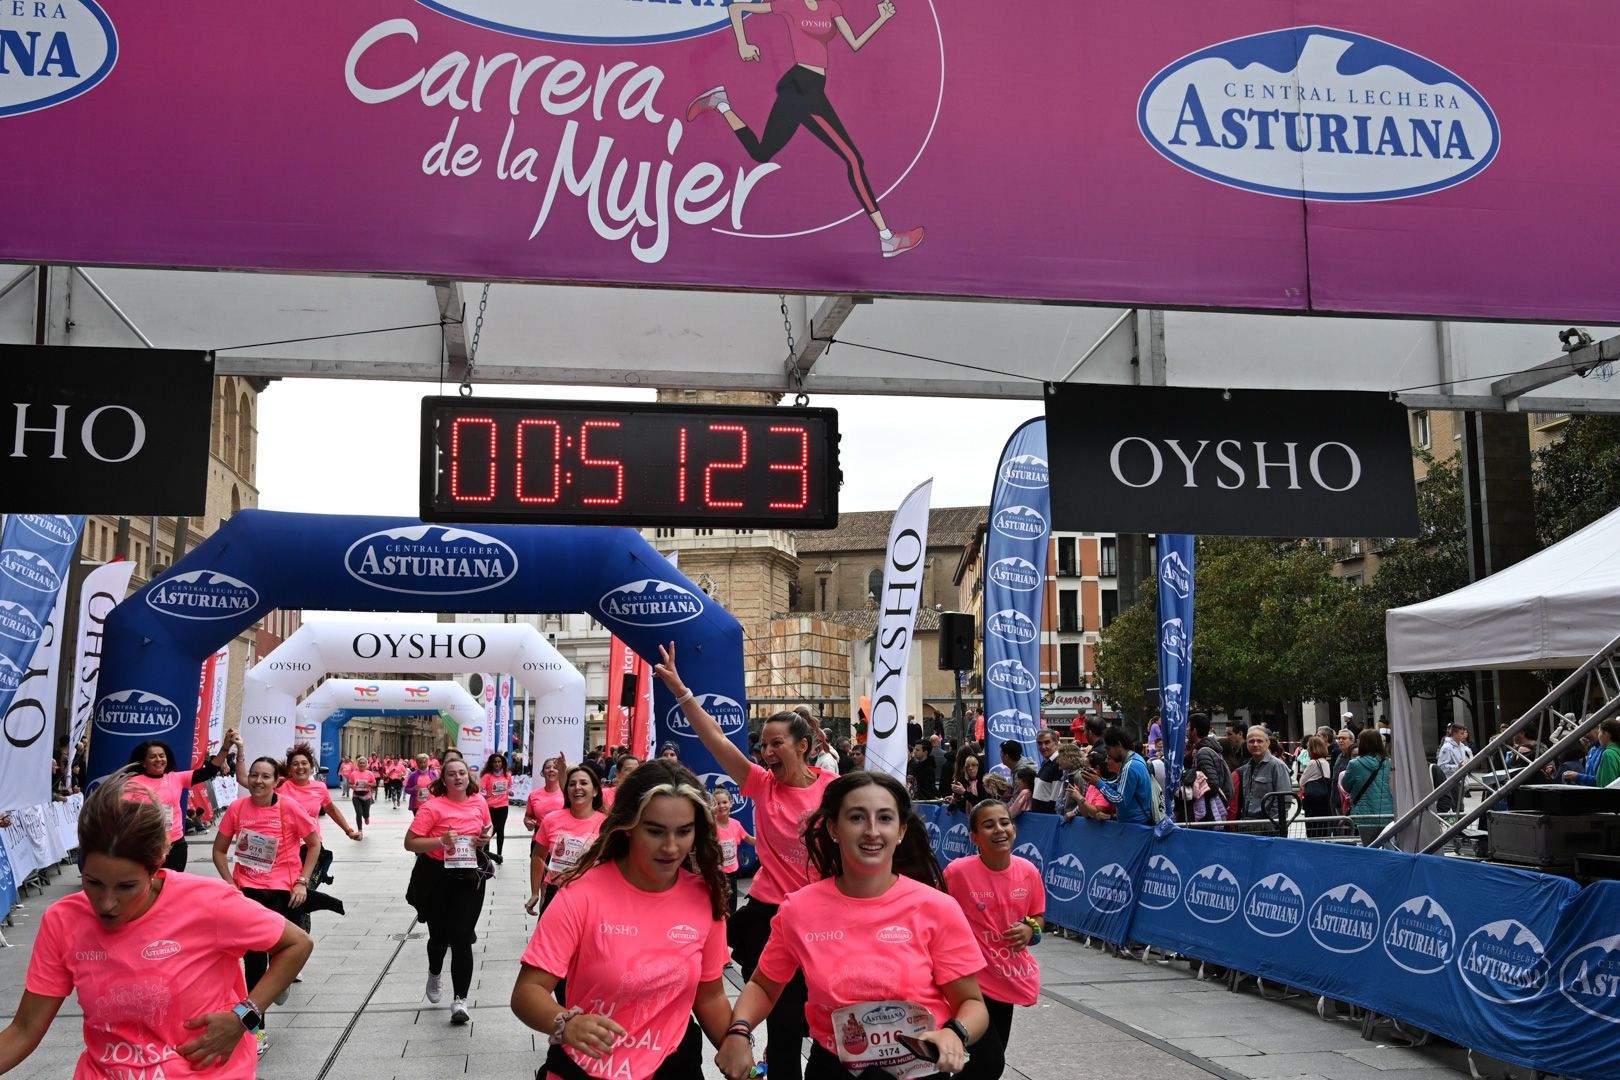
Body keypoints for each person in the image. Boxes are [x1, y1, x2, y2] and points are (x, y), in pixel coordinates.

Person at [0, 767, 312, 1076]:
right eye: (93, 883)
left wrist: (244, 1016)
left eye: (126, 887)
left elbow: (297, 943)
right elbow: (25, 1029)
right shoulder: (63, 920)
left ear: (155, 868)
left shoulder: (207, 902)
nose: (107, 903)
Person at [715, 771, 994, 1080]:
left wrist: (955, 1032)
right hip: (833, 1071)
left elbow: (971, 1003)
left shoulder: (938, 908)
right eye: (857, 817)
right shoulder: (799, 909)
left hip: (921, 1071)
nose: (872, 831)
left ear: (901, 830)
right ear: (834, 828)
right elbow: (763, 986)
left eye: (885, 818)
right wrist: (739, 1031)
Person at [654, 642, 834, 1080]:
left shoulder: (834, 789)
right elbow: (715, 738)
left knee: (826, 1016)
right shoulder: (760, 783)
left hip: (825, 916)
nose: (766, 751)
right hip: (772, 916)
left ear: (803, 746)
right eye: (763, 744)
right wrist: (682, 692)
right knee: (784, 1021)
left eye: (777, 743)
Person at [511, 760, 733, 1080]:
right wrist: (566, 1023)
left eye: (684, 831)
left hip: (674, 1067)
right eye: (655, 831)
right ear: (628, 826)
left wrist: (740, 1048)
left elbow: (710, 996)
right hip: (585, 1068)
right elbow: (527, 991)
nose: (671, 847)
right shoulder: (580, 894)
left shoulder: (705, 897)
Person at [211, 755, 322, 1056]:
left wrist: (302, 882)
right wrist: (231, 885)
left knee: (282, 955)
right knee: (254, 965)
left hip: (283, 895)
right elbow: (219, 851)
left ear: (276, 781)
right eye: (254, 775)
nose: (258, 781)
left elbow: (314, 844)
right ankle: (257, 1031)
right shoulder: (237, 808)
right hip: (248, 895)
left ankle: (281, 977)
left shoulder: (290, 807)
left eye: (265, 776)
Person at [944, 799, 1043, 1070]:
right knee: (991, 1063)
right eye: (988, 825)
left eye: (1004, 822)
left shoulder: (1028, 871)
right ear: (974, 837)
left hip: (1006, 978)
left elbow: (1037, 917)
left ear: (1014, 830)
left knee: (985, 1066)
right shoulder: (957, 873)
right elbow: (935, 916)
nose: (999, 829)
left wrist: (1030, 929)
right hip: (968, 983)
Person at [405, 757, 493, 1025]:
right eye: (452, 774)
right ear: (443, 780)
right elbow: (410, 843)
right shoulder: (432, 807)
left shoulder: (479, 802)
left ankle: (460, 1000)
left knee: (462, 937)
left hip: (469, 875)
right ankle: (434, 972)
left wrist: (484, 838)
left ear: (469, 776)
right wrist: (440, 840)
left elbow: (487, 827)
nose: (458, 778)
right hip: (437, 876)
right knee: (439, 937)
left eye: (462, 773)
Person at [126, 732, 239, 871]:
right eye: (153, 756)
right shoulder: (132, 783)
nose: (159, 759)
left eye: (162, 755)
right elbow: (121, 815)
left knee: (173, 884)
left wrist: (225, 748)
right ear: (143, 762)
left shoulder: (176, 778)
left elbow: (209, 771)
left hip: (176, 846)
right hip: (146, 847)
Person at [530, 765, 607, 916]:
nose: (577, 787)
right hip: (555, 893)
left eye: (583, 783)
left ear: (595, 791)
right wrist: (534, 892)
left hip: (591, 895)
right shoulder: (551, 819)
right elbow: (538, 856)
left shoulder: (606, 824)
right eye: (572, 784)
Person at [1234, 726, 1294, 828]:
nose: (1255, 744)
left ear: (1267, 743)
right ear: (1247, 744)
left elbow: (1284, 800)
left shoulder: (1277, 766)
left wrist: (1271, 825)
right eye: (1251, 741)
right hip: (1247, 826)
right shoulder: (1247, 767)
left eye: (1259, 741)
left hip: (1269, 828)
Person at [1340, 728, 1393, 828]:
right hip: (1387, 814)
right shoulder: (1388, 763)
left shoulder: (1354, 764)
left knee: (1365, 838)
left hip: (1363, 814)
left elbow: (1346, 786)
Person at [713, 788, 754, 917]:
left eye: (724, 802)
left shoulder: (735, 824)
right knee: (719, 908)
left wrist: (769, 837)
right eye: (717, 803)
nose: (721, 806)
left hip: (732, 873)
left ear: (731, 803)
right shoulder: (711, 826)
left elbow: (750, 840)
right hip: (717, 875)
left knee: (732, 907)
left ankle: (730, 928)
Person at [1565, 719, 1620, 787]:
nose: (1584, 735)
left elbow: (1605, 785)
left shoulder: (1608, 753)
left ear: (1605, 734)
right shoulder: (1594, 750)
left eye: (1599, 732)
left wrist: (1578, 777)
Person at [1298, 735, 1335, 837]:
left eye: (1308, 747)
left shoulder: (1313, 763)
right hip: (1324, 799)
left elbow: (1302, 781)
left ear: (1313, 748)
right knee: (1323, 827)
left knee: (1313, 828)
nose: (1307, 749)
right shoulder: (1325, 762)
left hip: (1313, 801)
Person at [481, 752, 513, 865]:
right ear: (491, 763)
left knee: (500, 830)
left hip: (503, 806)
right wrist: (484, 794)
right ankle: (487, 854)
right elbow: (481, 790)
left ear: (502, 763)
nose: (497, 764)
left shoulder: (507, 775)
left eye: (499, 762)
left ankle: (499, 854)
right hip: (490, 807)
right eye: (495, 762)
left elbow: (510, 787)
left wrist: (510, 791)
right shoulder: (487, 776)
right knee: (489, 829)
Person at [1030, 729, 1063, 814]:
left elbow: (1056, 798)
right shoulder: (1046, 761)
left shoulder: (1059, 764)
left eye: (1047, 742)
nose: (1043, 747)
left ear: (1056, 743)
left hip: (1048, 817)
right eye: (1040, 743)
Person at [348, 757, 377, 837]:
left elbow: (374, 784)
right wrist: (353, 786)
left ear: (366, 764)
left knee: (366, 813)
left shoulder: (369, 773)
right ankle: (360, 830)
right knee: (359, 813)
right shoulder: (353, 774)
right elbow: (350, 784)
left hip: (366, 796)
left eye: (363, 763)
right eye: (360, 763)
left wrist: (369, 784)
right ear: (358, 764)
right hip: (356, 796)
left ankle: (366, 817)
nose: (362, 764)